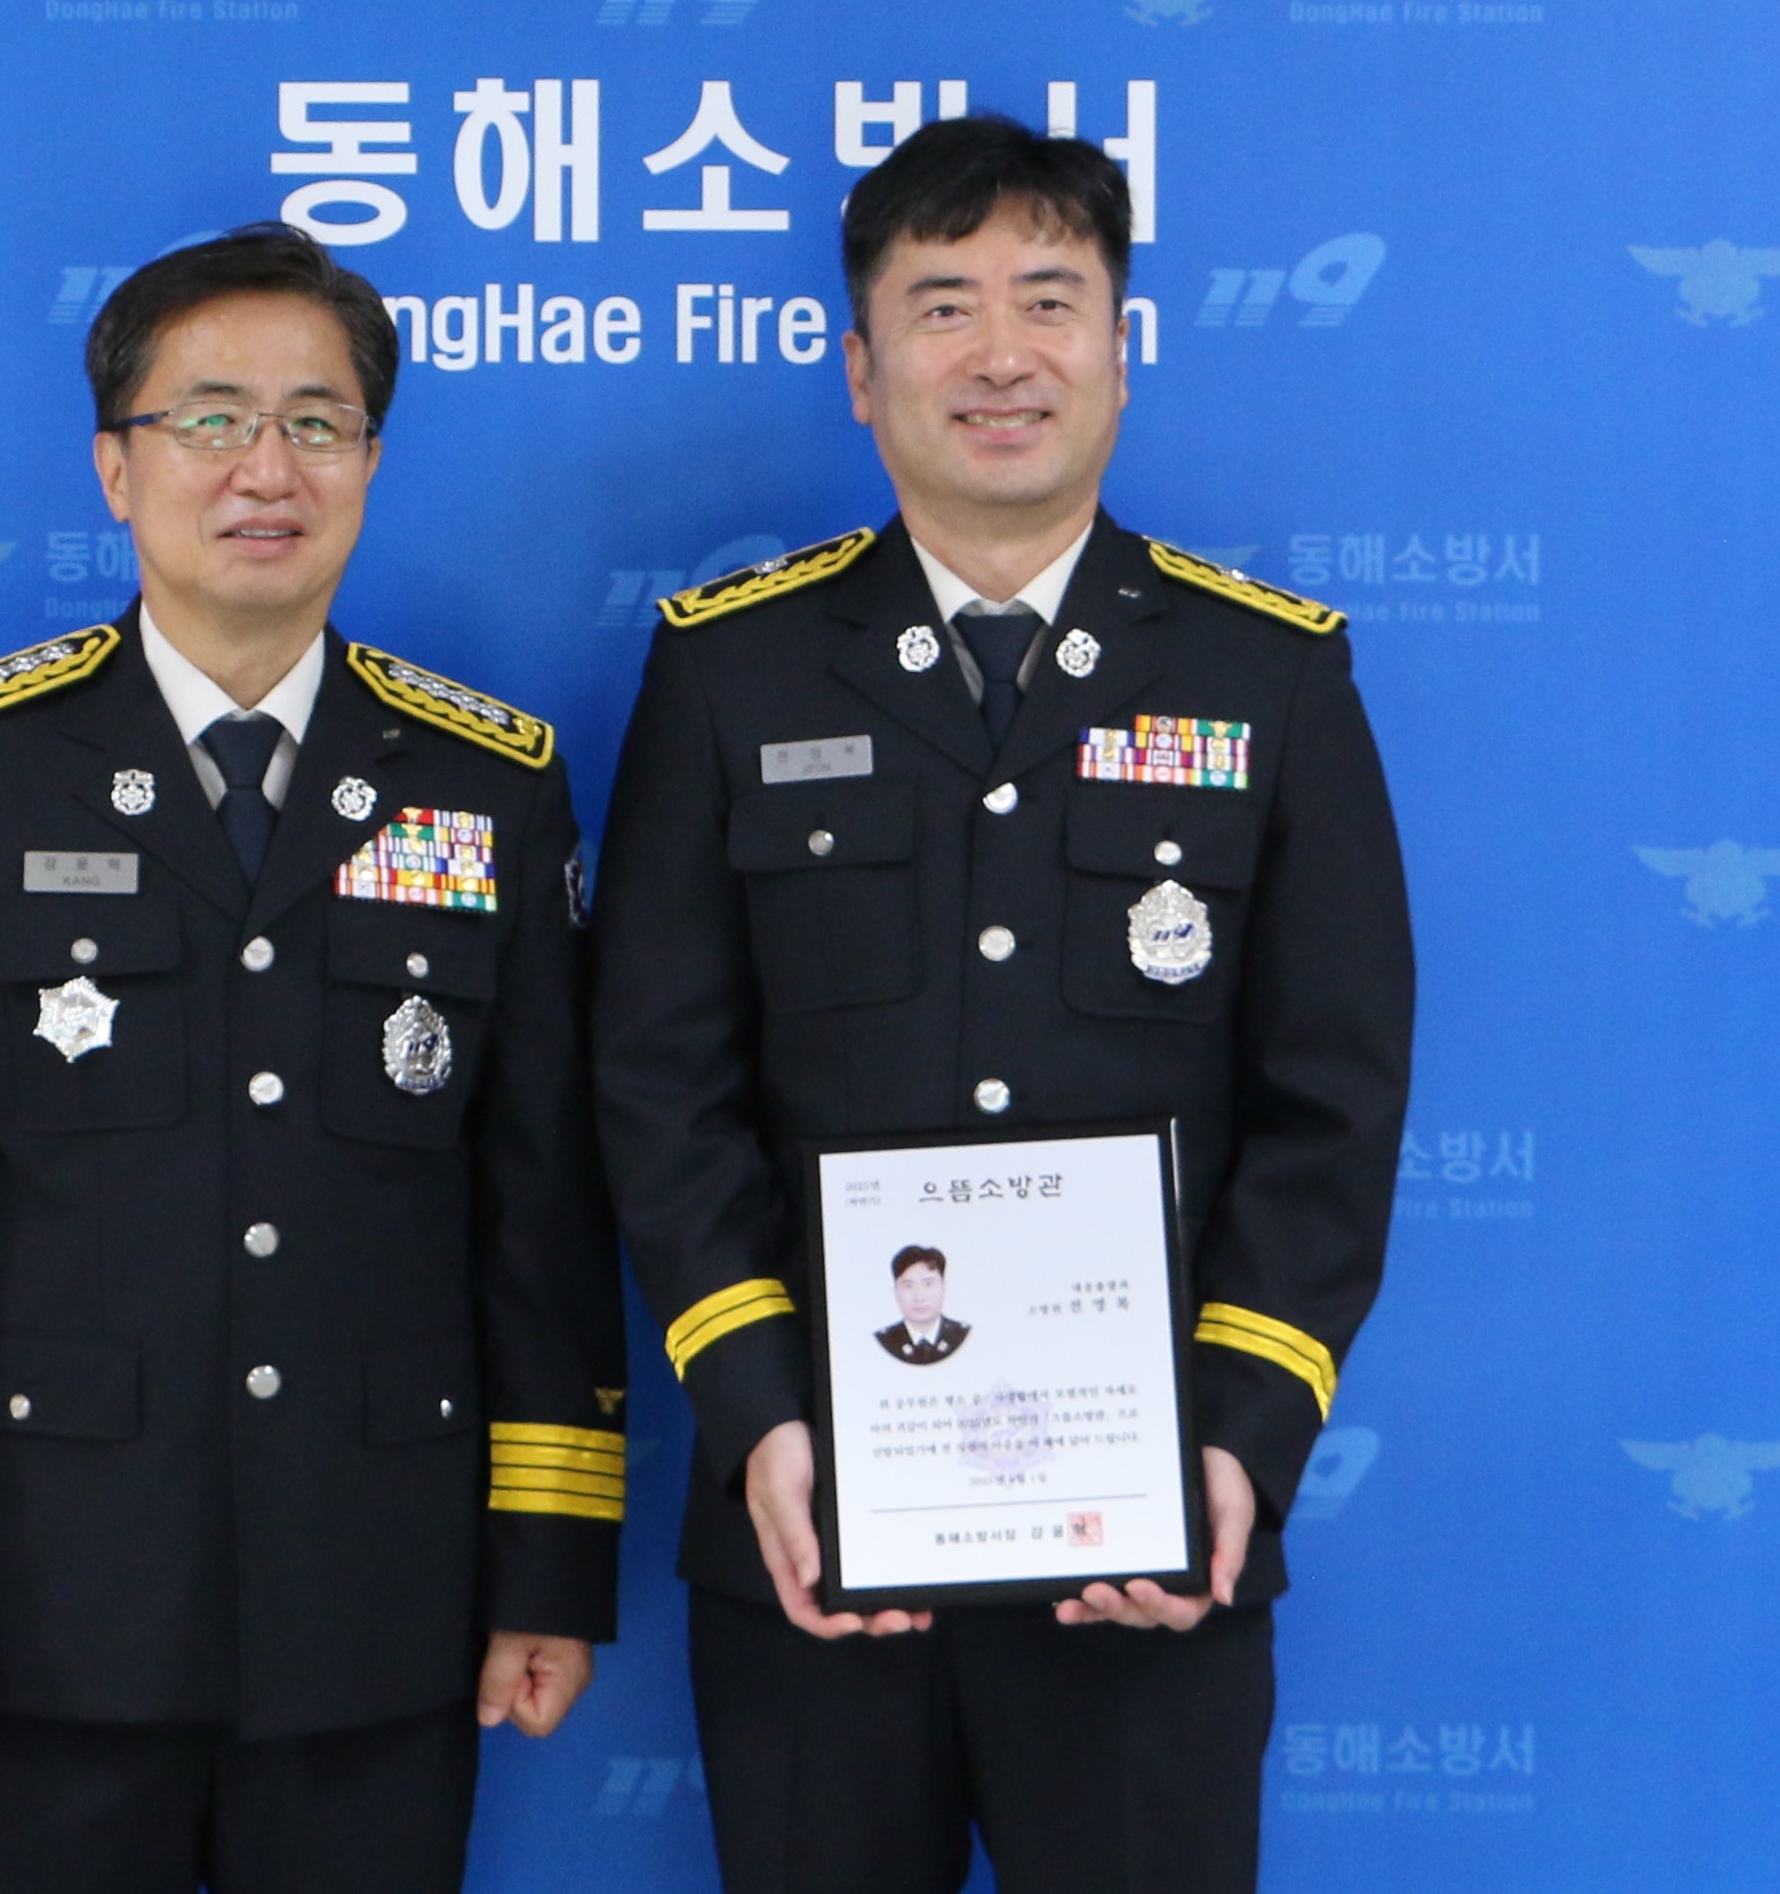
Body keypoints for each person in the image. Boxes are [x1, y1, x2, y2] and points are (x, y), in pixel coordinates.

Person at [593, 115, 1414, 1894]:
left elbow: (1333, 1102)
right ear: (859, 367)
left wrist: (1233, 1437)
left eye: (1050, 298)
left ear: (1120, 346)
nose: (1000, 353)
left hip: (1150, 1539)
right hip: (814, 1527)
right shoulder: (729, 667)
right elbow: (658, 1082)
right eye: (942, 304)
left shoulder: (1265, 673)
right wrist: (760, 1412)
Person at [0, 225, 624, 1894]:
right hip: (47, 1605)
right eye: (211, 417)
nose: (265, 467)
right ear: (115, 464)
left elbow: (543, 1206)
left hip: (380, 1599)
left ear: (370, 460)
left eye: (317, 421)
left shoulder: (488, 783)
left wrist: (546, 1560)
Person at [876, 1248, 968, 1367]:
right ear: (895, 1292)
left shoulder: (962, 1336)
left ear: (944, 1287)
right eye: (908, 1286)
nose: (919, 1297)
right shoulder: (884, 1341)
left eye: (928, 1284)